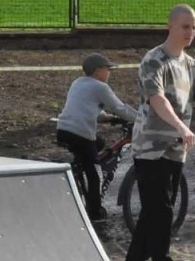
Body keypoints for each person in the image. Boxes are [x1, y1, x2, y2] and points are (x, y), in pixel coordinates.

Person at [122, 4, 195, 261]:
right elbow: (157, 100)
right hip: (151, 148)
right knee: (162, 210)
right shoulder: (154, 60)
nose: (191, 32)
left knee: (154, 211)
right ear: (171, 26)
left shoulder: (192, 65)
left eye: (194, 27)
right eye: (185, 26)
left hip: (176, 151)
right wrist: (181, 126)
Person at [55, 53, 138, 222]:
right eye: (107, 69)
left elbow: (86, 107)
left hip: (63, 129)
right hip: (80, 133)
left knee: (99, 144)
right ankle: (94, 214)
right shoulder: (100, 87)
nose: (109, 73)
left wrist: (108, 118)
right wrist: (143, 120)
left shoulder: (77, 82)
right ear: (97, 70)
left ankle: (79, 171)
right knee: (95, 174)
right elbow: (120, 108)